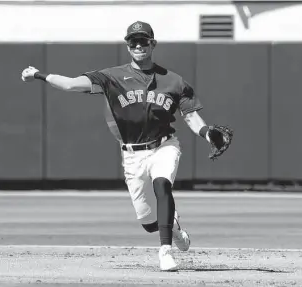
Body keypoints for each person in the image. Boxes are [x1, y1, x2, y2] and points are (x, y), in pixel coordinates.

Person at [21, 21, 213, 271]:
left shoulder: (174, 81)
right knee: (147, 220)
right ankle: (173, 226)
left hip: (164, 145)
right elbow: (70, 84)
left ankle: (165, 251)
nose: (138, 45)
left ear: (153, 44)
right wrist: (39, 74)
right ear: (127, 46)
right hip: (132, 154)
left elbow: (190, 116)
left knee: (162, 184)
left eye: (144, 40)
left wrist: (207, 132)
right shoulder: (111, 77)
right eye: (133, 41)